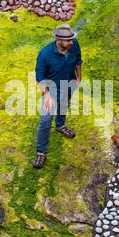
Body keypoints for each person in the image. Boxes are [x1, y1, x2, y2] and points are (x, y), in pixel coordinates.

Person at [32, 24, 82, 168]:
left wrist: (79, 77)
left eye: (72, 39)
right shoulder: (45, 54)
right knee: (45, 120)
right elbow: (40, 77)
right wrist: (46, 94)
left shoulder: (74, 45)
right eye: (69, 40)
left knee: (64, 106)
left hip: (69, 83)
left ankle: (60, 125)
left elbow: (78, 60)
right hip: (51, 89)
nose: (72, 42)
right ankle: (41, 152)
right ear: (59, 40)